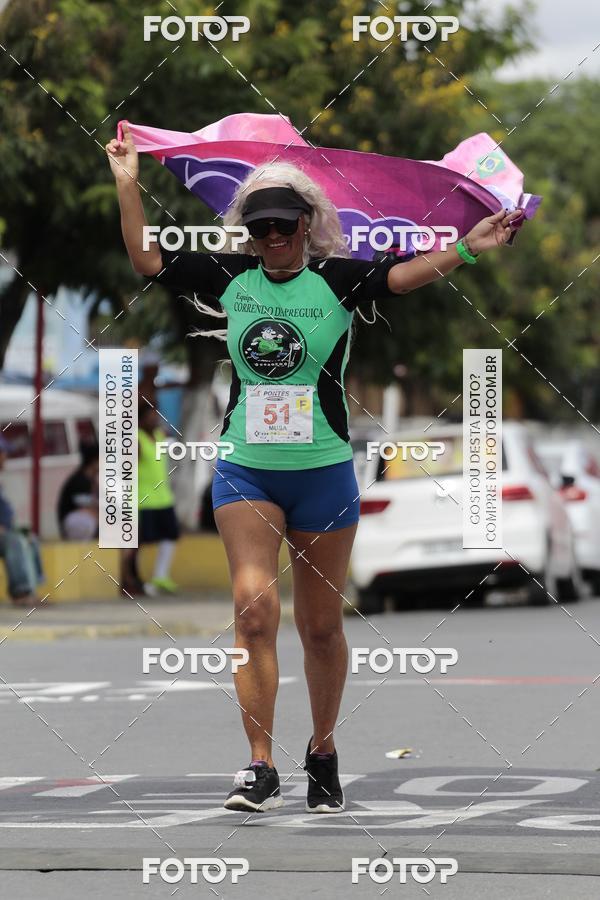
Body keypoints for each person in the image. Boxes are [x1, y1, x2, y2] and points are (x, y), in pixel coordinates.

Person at [107, 122, 522, 813]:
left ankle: (322, 750)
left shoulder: (340, 280)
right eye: (259, 228)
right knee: (252, 611)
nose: (272, 238)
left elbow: (405, 275)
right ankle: (259, 764)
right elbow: (146, 259)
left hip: (324, 473)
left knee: (321, 628)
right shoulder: (230, 277)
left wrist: (469, 249)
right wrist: (128, 183)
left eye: (283, 226)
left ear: (308, 225)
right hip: (247, 469)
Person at [121, 403, 180, 597]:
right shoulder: (135, 440)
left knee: (170, 535)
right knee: (139, 542)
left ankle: (160, 576)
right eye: (150, 416)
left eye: (156, 416)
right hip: (143, 499)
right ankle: (131, 580)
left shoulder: (160, 436)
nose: (155, 420)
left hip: (163, 497)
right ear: (140, 420)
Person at [0, 436, 46, 607]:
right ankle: (20, 593)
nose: (6, 457)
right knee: (13, 541)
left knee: (30, 539)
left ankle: (32, 590)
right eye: (3, 453)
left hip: (5, 530)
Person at [57, 441, 100, 540]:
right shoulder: (80, 481)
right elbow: (86, 508)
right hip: (74, 523)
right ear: (94, 461)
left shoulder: (92, 480)